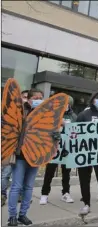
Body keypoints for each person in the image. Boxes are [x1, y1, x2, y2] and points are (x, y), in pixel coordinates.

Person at [7, 88, 44, 226]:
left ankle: (23, 215)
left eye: (41, 98)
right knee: (16, 186)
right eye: (35, 98)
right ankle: (12, 216)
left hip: (35, 155)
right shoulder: (21, 111)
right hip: (21, 155)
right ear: (28, 99)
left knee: (28, 187)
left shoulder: (44, 114)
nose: (38, 100)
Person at [76, 92, 98, 224]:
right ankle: (86, 204)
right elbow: (75, 132)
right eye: (97, 98)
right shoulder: (84, 115)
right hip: (85, 153)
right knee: (84, 179)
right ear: (92, 100)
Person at [39, 95, 77, 205]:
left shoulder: (74, 117)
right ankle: (44, 194)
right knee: (49, 172)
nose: (65, 106)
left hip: (67, 148)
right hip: (54, 148)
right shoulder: (53, 115)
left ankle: (65, 193)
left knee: (66, 173)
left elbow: (77, 131)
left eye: (67, 103)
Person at [2, 90, 29, 206]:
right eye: (24, 97)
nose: (26, 99)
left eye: (28, 97)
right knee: (6, 174)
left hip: (23, 151)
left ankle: (19, 196)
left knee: (19, 177)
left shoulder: (29, 113)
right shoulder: (11, 112)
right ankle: (2, 195)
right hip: (11, 149)